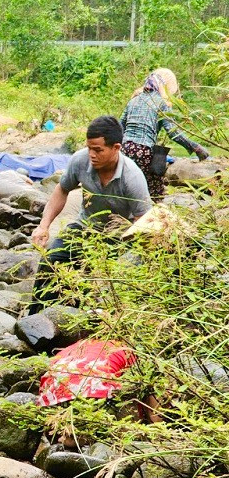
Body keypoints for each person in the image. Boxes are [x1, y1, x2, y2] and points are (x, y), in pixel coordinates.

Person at [29, 116, 153, 313]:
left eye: (98, 150)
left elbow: (144, 222)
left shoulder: (132, 177)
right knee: (51, 260)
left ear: (116, 148)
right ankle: (36, 319)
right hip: (85, 227)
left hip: (119, 236)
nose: (92, 155)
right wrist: (43, 226)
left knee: (104, 285)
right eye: (89, 148)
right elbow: (62, 190)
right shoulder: (79, 160)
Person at [120, 68, 210, 199]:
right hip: (144, 151)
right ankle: (153, 215)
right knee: (155, 195)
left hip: (124, 149)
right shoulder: (162, 103)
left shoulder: (133, 100)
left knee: (128, 189)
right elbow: (173, 133)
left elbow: (119, 126)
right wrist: (196, 147)